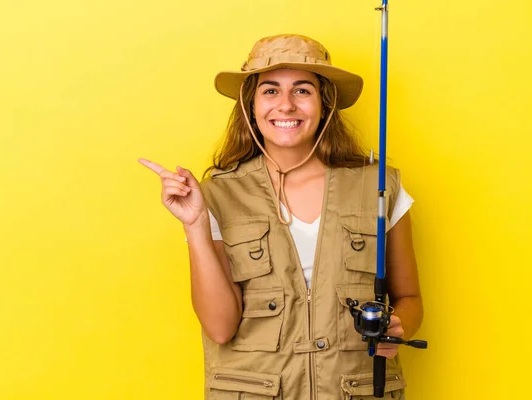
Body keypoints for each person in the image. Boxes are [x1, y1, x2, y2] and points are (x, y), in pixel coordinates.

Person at [139, 34, 423, 400]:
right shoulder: (216, 195)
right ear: (251, 106)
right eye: (270, 91)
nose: (286, 105)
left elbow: (410, 297)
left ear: (325, 102)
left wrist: (399, 327)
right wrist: (194, 224)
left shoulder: (381, 187)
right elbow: (220, 328)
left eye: (302, 90)